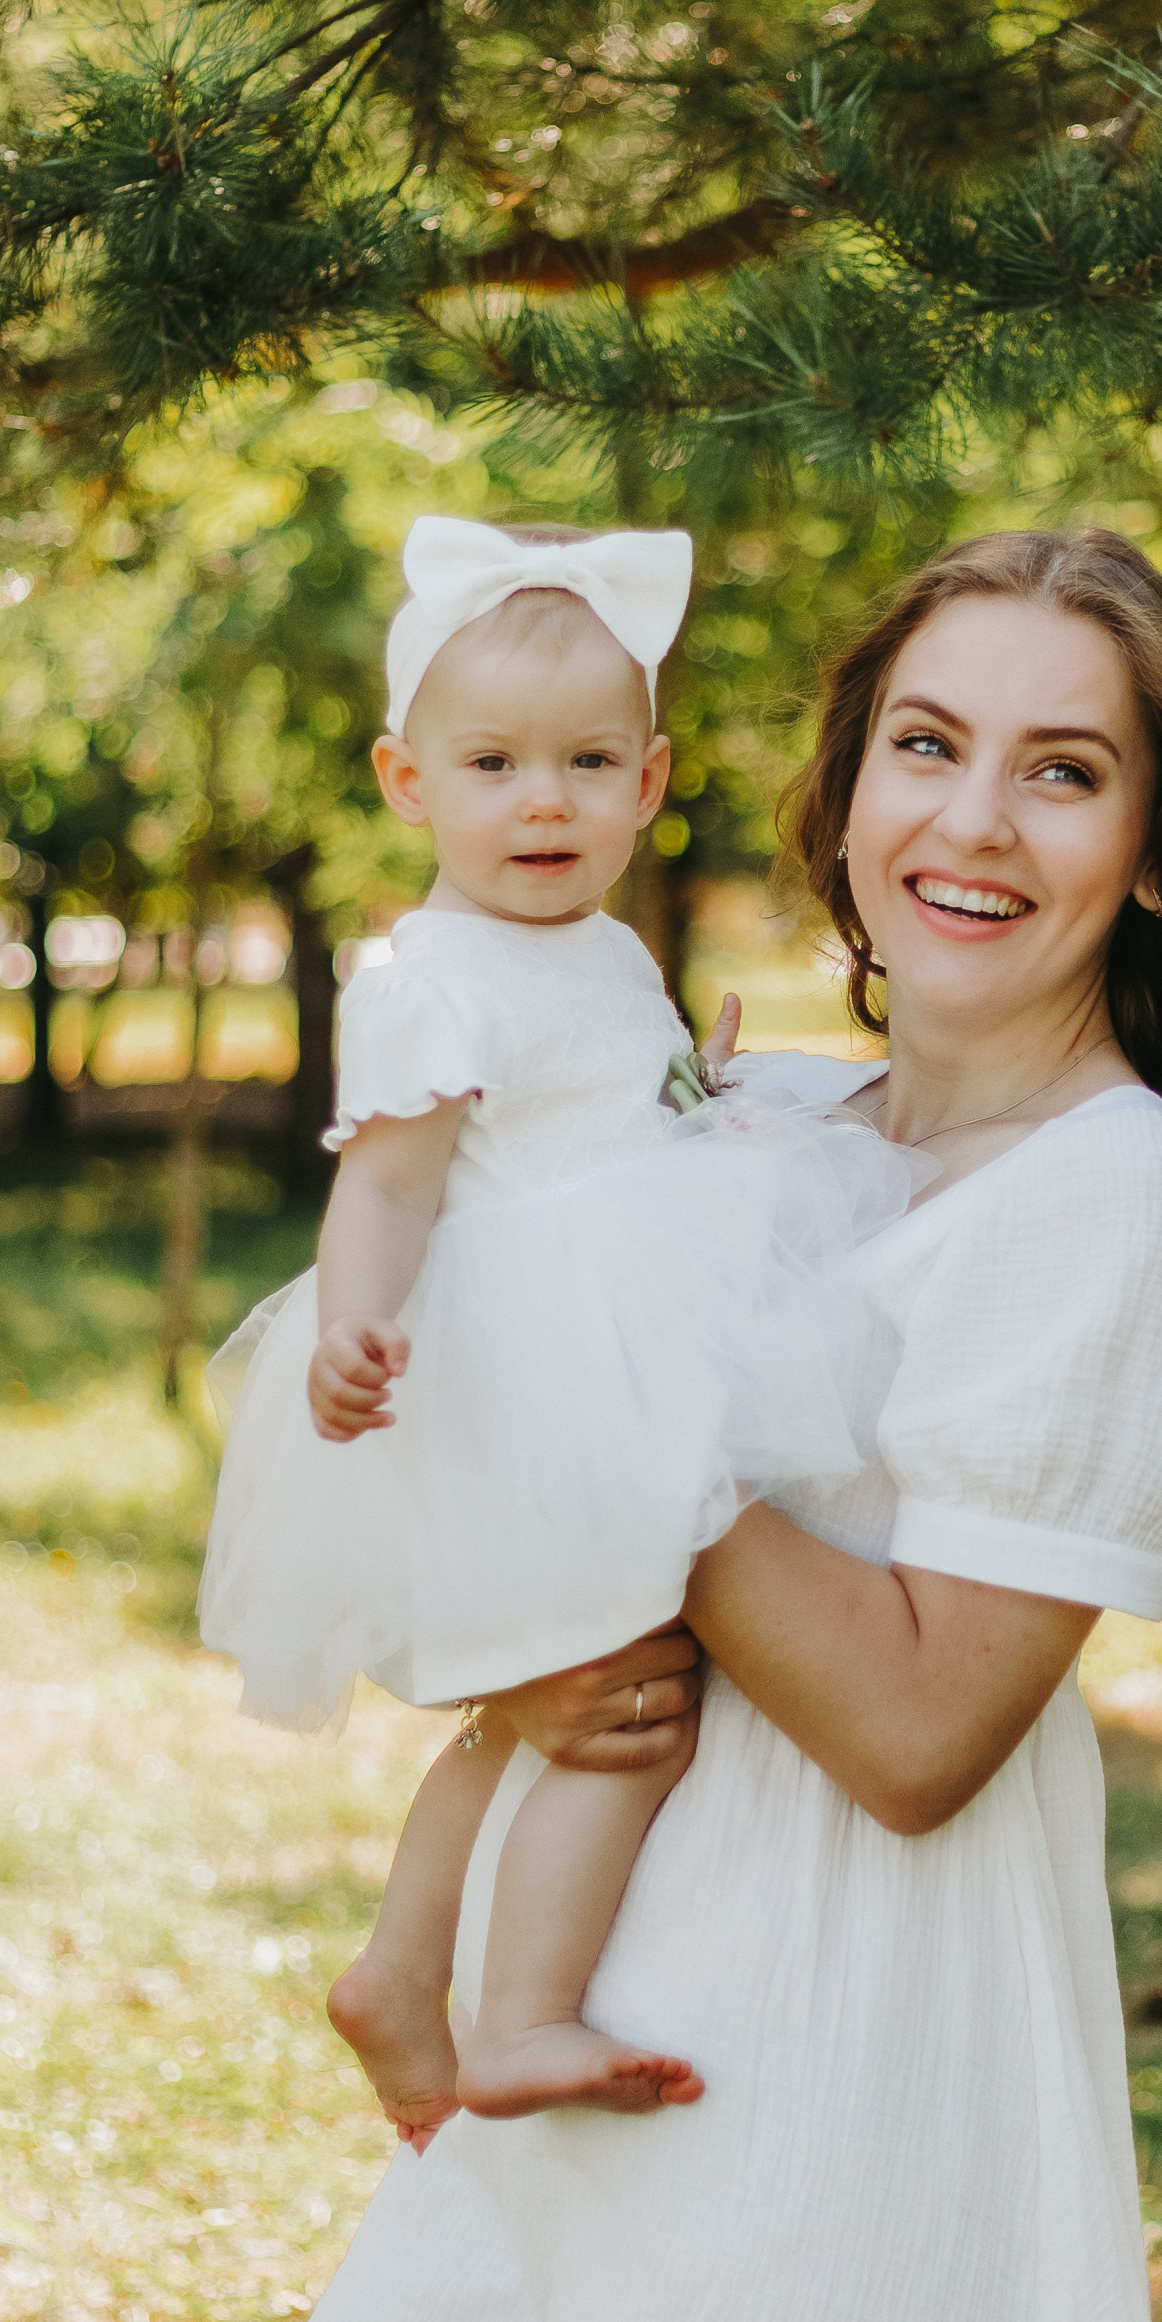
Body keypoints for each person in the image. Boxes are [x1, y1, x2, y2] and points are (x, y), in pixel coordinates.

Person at [238, 525, 1162, 2322]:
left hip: (833, 2040)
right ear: (845, 797)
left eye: (1065, 769)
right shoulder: (754, 1119)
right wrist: (520, 1668)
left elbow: (921, 1735)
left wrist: (602, 1392)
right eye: (926, 745)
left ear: (1151, 841)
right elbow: (479, 1513)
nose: (978, 820)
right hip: (586, 1980)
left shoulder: (1111, 1207)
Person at [199, 514, 912, 2147]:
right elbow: (388, 1187)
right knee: (626, 1709)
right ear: (406, 784)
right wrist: (356, 1329)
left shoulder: (604, 952)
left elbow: (616, 1116)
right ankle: (508, 2016)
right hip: (525, 1390)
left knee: (567, 1692)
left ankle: (398, 1973)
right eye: (496, 764)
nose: (544, 800)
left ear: (649, 787)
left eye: (589, 763)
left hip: (623, 1366)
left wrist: (693, 1091)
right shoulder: (428, 977)